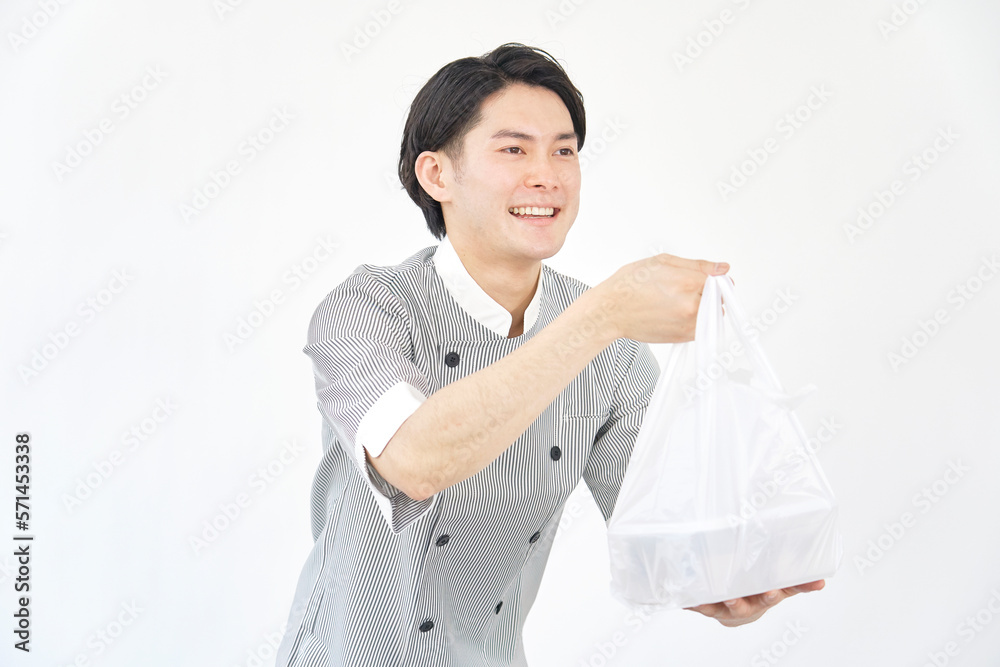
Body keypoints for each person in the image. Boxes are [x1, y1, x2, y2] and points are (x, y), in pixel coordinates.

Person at [275, 42, 823, 667]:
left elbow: (659, 527)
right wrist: (601, 317)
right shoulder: (365, 308)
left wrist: (727, 581)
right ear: (437, 175)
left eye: (564, 151)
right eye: (514, 150)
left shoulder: (612, 346)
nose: (548, 175)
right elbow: (415, 461)